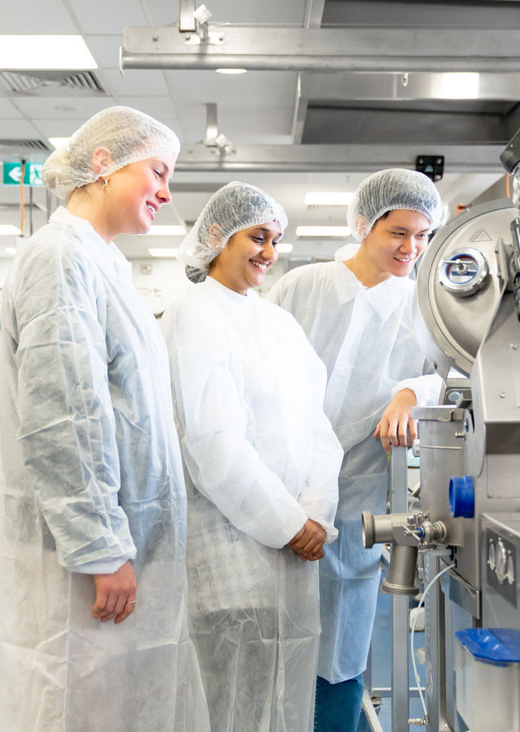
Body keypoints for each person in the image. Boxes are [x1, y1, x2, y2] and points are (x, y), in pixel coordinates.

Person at [0, 106, 209, 732]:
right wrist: (100, 547)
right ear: (104, 165)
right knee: (69, 702)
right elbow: (64, 414)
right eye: (157, 172)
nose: (166, 192)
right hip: (76, 552)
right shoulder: (60, 257)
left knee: (104, 704)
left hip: (112, 535)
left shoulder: (101, 260)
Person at [266, 168, 449, 731]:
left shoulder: (424, 304)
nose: (411, 248)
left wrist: (408, 393)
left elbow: (445, 374)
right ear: (365, 224)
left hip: (361, 486)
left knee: (343, 633)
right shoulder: (305, 287)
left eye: (422, 236)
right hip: (283, 480)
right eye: (399, 232)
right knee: (273, 621)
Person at [161, 182, 343, 732]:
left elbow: (318, 425)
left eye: (275, 240)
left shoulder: (278, 323)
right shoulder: (194, 317)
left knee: (284, 691)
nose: (268, 251)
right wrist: (289, 523)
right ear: (217, 236)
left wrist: (315, 513)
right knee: (230, 697)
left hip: (295, 544)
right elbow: (212, 443)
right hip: (229, 546)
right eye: (256, 237)